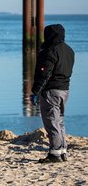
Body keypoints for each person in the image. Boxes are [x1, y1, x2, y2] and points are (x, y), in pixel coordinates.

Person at [30, 24, 75, 163]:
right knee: (59, 120)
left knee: (51, 121)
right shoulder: (69, 50)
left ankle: (55, 153)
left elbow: (45, 73)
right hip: (64, 89)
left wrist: (36, 91)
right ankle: (62, 150)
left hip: (51, 91)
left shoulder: (50, 51)